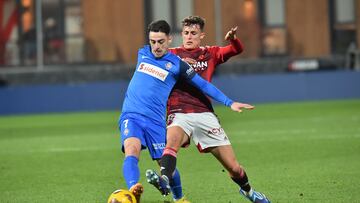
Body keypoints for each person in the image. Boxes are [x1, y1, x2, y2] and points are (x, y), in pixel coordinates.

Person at [117, 19, 254, 203]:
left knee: (230, 167)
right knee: (132, 149)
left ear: (169, 40)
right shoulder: (143, 53)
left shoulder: (180, 64)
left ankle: (179, 198)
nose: (156, 46)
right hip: (135, 115)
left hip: (161, 120)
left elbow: (203, 84)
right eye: (153, 41)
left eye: (160, 42)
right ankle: (134, 188)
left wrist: (229, 102)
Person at [145, 16, 271, 203]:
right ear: (181, 34)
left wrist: (233, 39)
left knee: (234, 168)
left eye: (193, 33)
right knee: (171, 145)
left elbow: (237, 50)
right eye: (186, 33)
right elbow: (151, 57)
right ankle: (164, 180)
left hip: (204, 114)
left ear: (201, 35)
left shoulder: (210, 53)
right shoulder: (170, 54)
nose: (189, 37)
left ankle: (249, 192)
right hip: (178, 112)